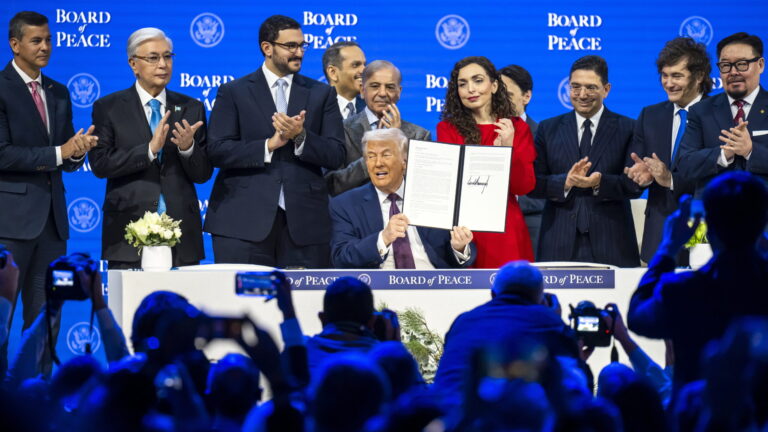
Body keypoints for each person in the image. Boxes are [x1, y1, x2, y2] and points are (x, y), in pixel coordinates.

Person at [204, 15, 346, 268]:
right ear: (267, 48)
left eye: (302, 45)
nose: (299, 52)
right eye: (291, 46)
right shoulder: (234, 92)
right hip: (242, 223)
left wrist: (300, 136)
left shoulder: (322, 94)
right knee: (244, 294)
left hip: (305, 225)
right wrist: (268, 146)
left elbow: (337, 154)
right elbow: (217, 150)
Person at [0, 11, 97, 373]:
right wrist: (60, 153)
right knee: (2, 318)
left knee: (45, 316)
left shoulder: (58, 92)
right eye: (36, 40)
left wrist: (77, 151)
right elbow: (3, 154)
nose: (45, 47)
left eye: (48, 40)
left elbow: (65, 156)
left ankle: (39, 391)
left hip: (53, 226)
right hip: (10, 226)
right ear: (15, 44)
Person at [627, 171, 768, 394]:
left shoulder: (683, 290)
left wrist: (668, 249)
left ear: (709, 226)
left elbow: (638, 317)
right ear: (762, 223)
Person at [89, 27, 212, 269]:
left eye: (167, 57)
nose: (163, 64)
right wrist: (148, 150)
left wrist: (188, 149)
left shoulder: (191, 108)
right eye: (153, 58)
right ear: (133, 64)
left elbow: (203, 174)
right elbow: (101, 164)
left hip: (182, 233)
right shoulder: (109, 107)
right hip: (128, 230)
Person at [531, 55, 641, 267]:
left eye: (591, 87)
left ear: (606, 89)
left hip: (613, 243)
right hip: (558, 242)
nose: (582, 94)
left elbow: (633, 185)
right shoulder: (548, 128)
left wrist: (599, 182)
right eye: (575, 87)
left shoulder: (628, 127)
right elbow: (534, 184)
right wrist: (565, 182)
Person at [437, 56, 536, 267]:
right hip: (465, 228)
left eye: (478, 80)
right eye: (462, 84)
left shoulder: (517, 127)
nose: (470, 89)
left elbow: (523, 186)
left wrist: (508, 149)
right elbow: (452, 184)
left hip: (506, 227)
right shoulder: (447, 129)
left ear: (494, 86)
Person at [432, 261, 580, 400]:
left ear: (493, 294)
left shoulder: (463, 321)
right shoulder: (548, 320)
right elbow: (577, 383)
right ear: (542, 300)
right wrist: (554, 318)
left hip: (446, 410)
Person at [330, 128, 475, 269]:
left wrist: (459, 247)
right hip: (380, 282)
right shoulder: (345, 205)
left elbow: (464, 252)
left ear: (404, 162)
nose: (378, 163)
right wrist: (383, 238)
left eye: (386, 155)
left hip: (433, 279)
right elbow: (341, 257)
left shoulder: (435, 196)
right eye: (371, 156)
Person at [625, 37, 711, 264]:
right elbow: (636, 166)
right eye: (665, 75)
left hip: (705, 233)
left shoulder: (719, 115)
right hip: (659, 235)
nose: (669, 83)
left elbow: (719, 176)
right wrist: (640, 176)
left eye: (677, 76)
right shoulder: (650, 116)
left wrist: (670, 179)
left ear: (699, 76)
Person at [675, 32, 768, 196]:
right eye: (725, 65)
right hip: (713, 208)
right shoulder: (701, 111)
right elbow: (684, 164)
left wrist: (750, 150)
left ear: (760, 65)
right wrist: (724, 154)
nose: (733, 72)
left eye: (742, 64)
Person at [325, 60, 432, 196]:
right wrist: (372, 158)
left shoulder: (420, 135)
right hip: (355, 207)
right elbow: (332, 184)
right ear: (362, 90)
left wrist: (396, 141)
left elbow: (422, 187)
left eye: (390, 87)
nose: (382, 93)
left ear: (399, 92)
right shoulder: (341, 130)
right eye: (375, 86)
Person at [500, 64, 545, 256]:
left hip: (530, 223)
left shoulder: (544, 135)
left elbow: (546, 188)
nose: (501, 101)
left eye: (508, 95)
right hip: (487, 226)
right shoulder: (480, 133)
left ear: (526, 96)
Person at [322, 41, 366, 119]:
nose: (364, 70)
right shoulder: (314, 109)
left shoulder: (372, 108)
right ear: (333, 72)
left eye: (364, 65)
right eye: (355, 65)